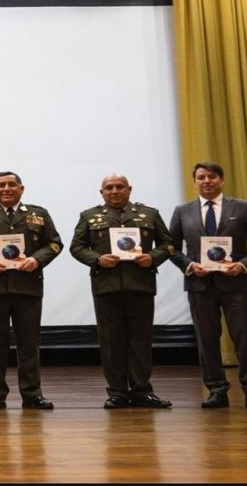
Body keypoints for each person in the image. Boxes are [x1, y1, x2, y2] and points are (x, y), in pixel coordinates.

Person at [169, 162, 247, 410]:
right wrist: (189, 265)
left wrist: (244, 264)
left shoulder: (243, 207)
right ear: (194, 182)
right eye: (201, 177)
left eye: (212, 176)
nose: (207, 181)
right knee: (207, 341)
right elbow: (170, 248)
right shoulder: (182, 211)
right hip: (199, 285)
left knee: (245, 339)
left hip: (237, 284)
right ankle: (216, 390)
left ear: (221, 180)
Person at [69, 173, 174, 409]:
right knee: (111, 342)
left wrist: (153, 257)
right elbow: (76, 247)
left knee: (141, 340)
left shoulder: (149, 214)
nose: (114, 191)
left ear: (129, 189)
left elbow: (168, 244)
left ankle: (142, 390)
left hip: (141, 284)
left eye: (119, 187)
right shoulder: (89, 216)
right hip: (106, 286)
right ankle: (117, 392)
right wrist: (97, 259)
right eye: (109, 188)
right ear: (102, 192)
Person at [0, 171, 62, 410]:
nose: (7, 189)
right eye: (1, 185)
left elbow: (55, 243)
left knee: (29, 343)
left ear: (21, 189)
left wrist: (37, 259)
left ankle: (32, 394)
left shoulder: (38, 214)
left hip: (28, 286)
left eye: (12, 185)